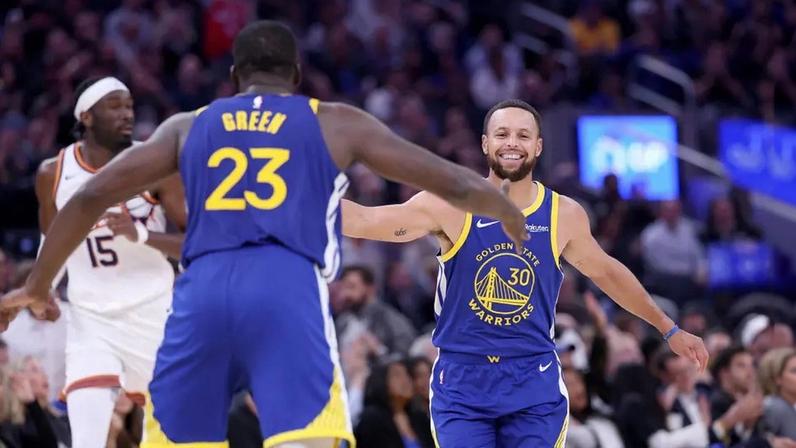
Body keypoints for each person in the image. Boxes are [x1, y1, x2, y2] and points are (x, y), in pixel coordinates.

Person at [0, 21, 527, 448]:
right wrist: (505, 209)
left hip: (201, 288)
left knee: (183, 440)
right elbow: (450, 179)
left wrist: (39, 285)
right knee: (307, 439)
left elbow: (88, 198)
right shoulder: (334, 122)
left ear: (234, 76)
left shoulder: (188, 125)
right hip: (285, 285)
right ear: (296, 76)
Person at [342, 99, 708, 447]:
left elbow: (608, 273)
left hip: (533, 381)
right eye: (502, 135)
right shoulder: (450, 203)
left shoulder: (562, 214)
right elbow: (366, 220)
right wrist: (294, 195)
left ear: (538, 146)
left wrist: (668, 327)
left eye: (522, 135)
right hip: (462, 382)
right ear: (485, 144)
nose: (512, 143)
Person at [33, 76, 187, 448]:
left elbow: (197, 243)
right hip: (91, 317)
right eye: (115, 106)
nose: (127, 114)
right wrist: (44, 290)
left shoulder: (158, 167)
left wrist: (142, 234)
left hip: (154, 313)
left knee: (174, 435)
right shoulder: (53, 172)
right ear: (86, 116)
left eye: (130, 105)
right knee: (86, 438)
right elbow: (51, 241)